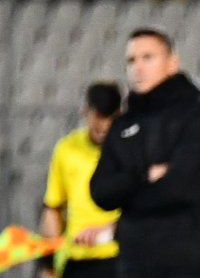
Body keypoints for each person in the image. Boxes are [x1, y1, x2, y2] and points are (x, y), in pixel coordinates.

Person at [90, 28, 200, 278]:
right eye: (132, 60)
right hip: (134, 261)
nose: (138, 67)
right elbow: (100, 191)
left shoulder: (198, 116)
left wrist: (128, 205)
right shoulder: (123, 125)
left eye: (148, 57)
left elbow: (183, 186)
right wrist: (143, 175)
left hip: (186, 261)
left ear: (172, 63)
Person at [39, 81, 123, 278]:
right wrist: (49, 265)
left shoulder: (131, 151)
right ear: (85, 112)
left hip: (117, 258)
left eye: (109, 117)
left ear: (119, 114)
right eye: (98, 116)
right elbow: (53, 208)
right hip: (76, 257)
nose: (103, 124)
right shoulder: (67, 148)